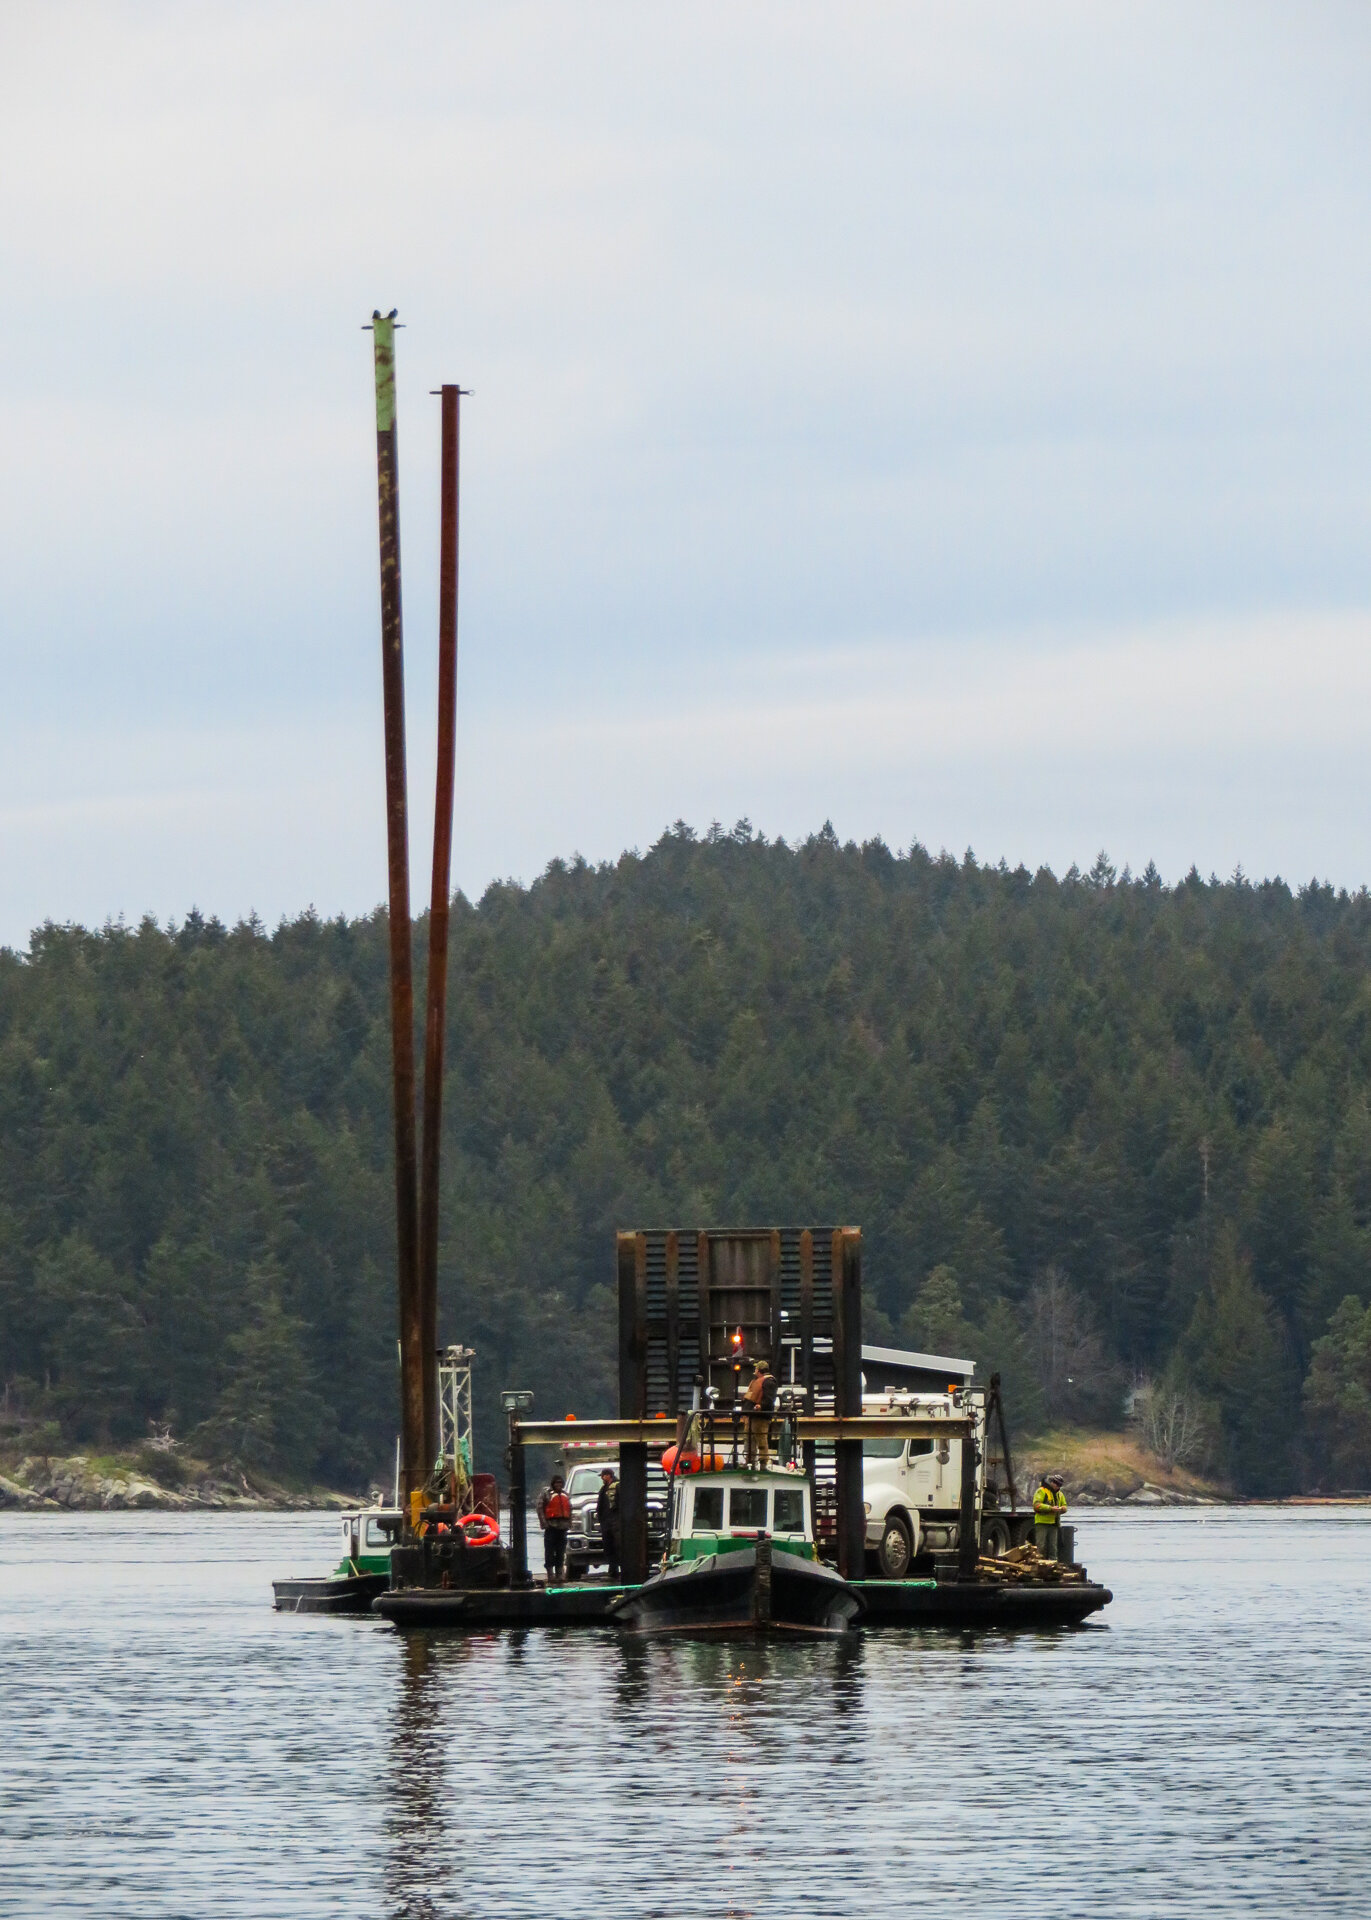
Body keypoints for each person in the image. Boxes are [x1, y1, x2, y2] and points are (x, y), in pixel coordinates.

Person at [537, 1472, 573, 1585]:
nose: (559, 1485)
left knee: (561, 1552)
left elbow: (570, 1510)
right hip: (551, 1527)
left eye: (560, 1483)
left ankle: (559, 1573)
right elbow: (539, 1508)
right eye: (557, 1483)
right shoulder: (546, 1494)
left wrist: (570, 1523)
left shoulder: (565, 1495)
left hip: (563, 1528)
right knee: (549, 1552)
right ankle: (550, 1574)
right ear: (553, 1484)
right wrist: (544, 1523)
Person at [743, 1358, 777, 1468]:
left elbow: (769, 1398)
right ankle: (750, 1461)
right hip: (752, 1415)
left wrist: (761, 1406)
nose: (755, 1370)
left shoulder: (769, 1382)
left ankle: (763, 1463)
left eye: (756, 1368)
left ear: (759, 1370)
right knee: (749, 1438)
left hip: (761, 1416)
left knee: (761, 1439)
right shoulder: (758, 1381)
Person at [1033, 1472, 1068, 1558]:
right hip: (1042, 1522)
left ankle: (1053, 1565)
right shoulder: (1041, 1491)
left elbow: (1064, 1505)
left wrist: (1062, 1509)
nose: (1057, 1486)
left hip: (1054, 1524)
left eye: (1059, 1485)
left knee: (1053, 1547)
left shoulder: (1060, 1494)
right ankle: (1039, 1563)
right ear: (1052, 1482)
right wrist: (1050, 1508)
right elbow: (1036, 1505)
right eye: (1056, 1484)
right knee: (1040, 1546)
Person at [595, 1466, 621, 1582]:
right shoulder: (603, 1488)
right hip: (606, 1523)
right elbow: (600, 1506)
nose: (602, 1478)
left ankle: (620, 1570)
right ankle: (613, 1570)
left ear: (608, 1475)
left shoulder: (618, 1486)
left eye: (603, 1475)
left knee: (618, 1546)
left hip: (615, 1522)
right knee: (609, 1547)